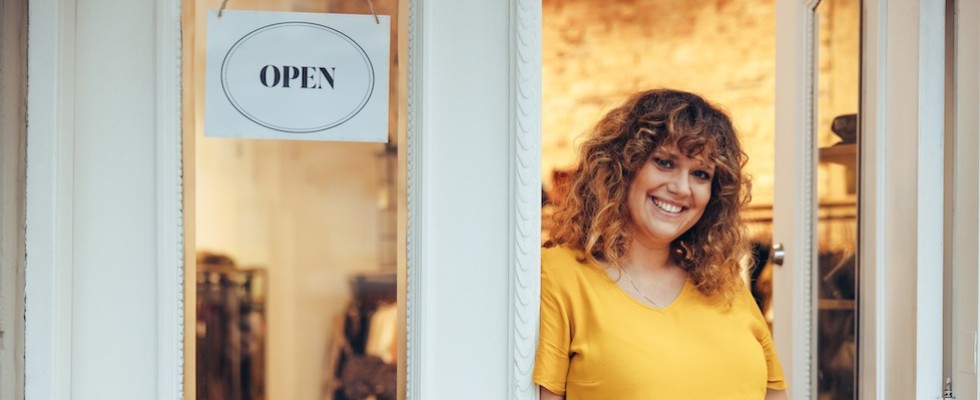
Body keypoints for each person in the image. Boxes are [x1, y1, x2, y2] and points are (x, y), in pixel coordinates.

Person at [535, 89, 788, 399]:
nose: (681, 188)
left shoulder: (724, 284)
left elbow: (774, 393)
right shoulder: (559, 275)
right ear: (622, 168)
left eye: (700, 174)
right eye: (665, 163)